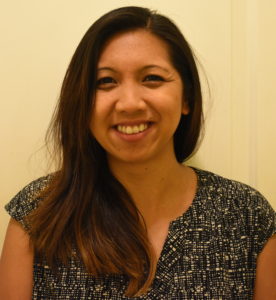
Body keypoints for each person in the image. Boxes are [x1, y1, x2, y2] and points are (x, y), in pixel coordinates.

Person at [0, 6, 275, 300]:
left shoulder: (246, 216)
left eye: (152, 78)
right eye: (106, 81)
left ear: (187, 98)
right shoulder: (38, 215)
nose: (129, 103)